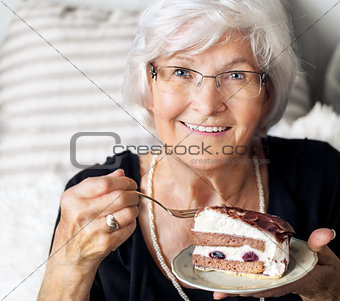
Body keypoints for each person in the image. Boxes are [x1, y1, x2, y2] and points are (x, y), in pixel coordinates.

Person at [38, 0, 340, 300]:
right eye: (181, 72)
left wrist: (330, 293)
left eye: (236, 75)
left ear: (266, 95)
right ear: (149, 89)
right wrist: (69, 264)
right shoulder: (95, 204)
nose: (207, 105)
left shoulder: (323, 174)